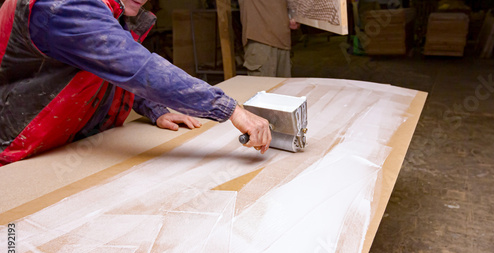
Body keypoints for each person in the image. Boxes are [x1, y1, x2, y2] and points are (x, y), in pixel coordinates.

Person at [0, 0, 272, 166]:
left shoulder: (107, 8)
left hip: (62, 147)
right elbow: (139, 68)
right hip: (16, 155)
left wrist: (154, 107)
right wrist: (231, 109)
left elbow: (103, 64)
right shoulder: (64, 5)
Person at [238, 0, 300, 77]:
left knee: (283, 88)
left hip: (283, 41)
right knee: (263, 87)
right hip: (260, 41)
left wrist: (293, 15)